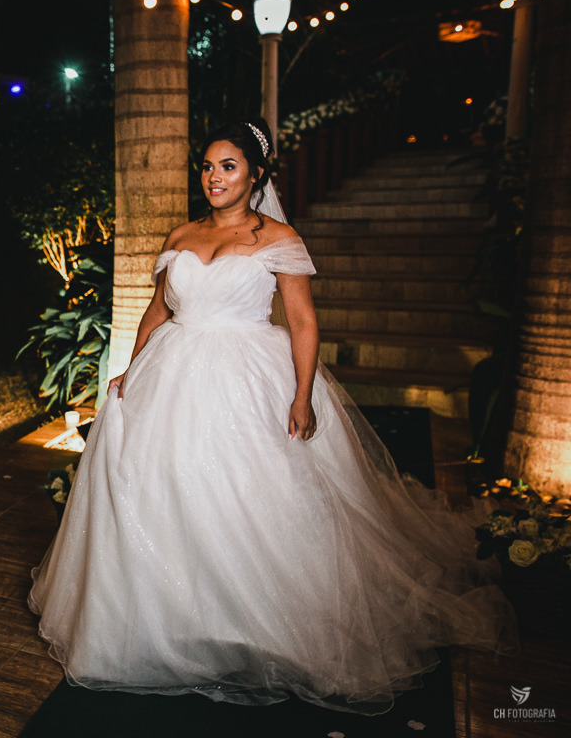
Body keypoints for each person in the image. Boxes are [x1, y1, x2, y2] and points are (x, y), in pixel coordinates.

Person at [28, 118, 516, 714]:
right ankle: (169, 617)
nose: (214, 177)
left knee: (246, 494)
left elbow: (303, 321)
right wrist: (132, 368)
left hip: (247, 374)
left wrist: (303, 393)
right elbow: (157, 310)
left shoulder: (278, 236)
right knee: (159, 485)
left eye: (227, 166)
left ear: (254, 174)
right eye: (207, 166)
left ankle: (254, 626)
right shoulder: (180, 234)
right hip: (171, 370)